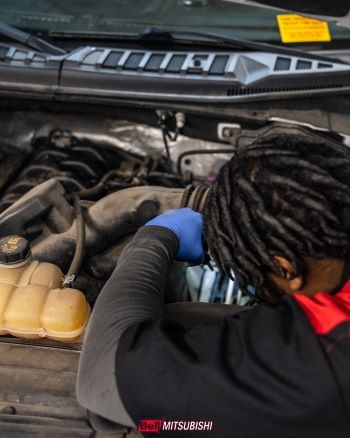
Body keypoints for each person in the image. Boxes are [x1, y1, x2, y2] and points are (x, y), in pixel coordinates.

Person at [76, 133, 350, 437]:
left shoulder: (317, 358)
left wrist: (153, 240)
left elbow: (102, 377)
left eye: (257, 276)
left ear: (286, 270)